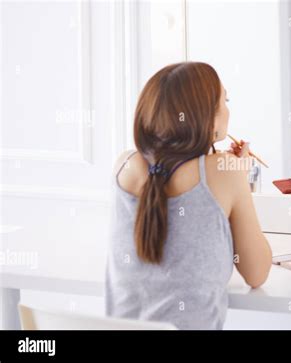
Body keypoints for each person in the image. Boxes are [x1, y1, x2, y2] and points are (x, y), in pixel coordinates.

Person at [105, 62, 272, 329]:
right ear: (208, 118)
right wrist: (236, 173)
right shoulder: (223, 173)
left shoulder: (123, 166)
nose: (228, 109)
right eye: (224, 100)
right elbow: (257, 273)